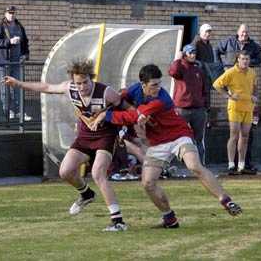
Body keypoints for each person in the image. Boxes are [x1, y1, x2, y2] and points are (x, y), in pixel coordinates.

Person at [90, 64, 242, 228]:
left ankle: (226, 201)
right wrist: (98, 110)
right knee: (148, 183)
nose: (158, 88)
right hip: (157, 143)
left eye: (159, 84)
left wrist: (108, 115)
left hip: (179, 136)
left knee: (194, 166)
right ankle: (170, 219)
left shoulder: (162, 99)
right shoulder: (134, 90)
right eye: (153, 85)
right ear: (143, 85)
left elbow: (133, 116)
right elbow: (119, 99)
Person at [3, 59, 127, 232]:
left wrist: (112, 119)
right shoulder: (70, 88)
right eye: (79, 83)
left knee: (98, 173)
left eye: (85, 82)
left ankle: (118, 221)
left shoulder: (106, 92)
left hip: (105, 137)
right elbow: (46, 87)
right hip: (84, 137)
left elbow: (126, 108)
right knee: (65, 171)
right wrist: (18, 84)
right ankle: (86, 194)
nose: (82, 87)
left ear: (91, 79)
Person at [214, 24, 261, 172]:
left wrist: (255, 96)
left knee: (245, 136)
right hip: (234, 107)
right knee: (234, 135)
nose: (245, 61)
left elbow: (255, 86)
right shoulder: (231, 72)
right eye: (243, 59)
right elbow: (216, 85)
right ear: (238, 60)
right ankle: (231, 164)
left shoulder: (252, 72)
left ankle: (242, 164)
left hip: (248, 107)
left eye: (247, 59)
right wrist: (229, 95)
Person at [169, 44, 208, 164]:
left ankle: (200, 166)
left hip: (198, 110)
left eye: (194, 52)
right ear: (185, 54)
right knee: (176, 137)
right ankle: (171, 166)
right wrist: (177, 58)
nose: (193, 55)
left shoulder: (198, 70)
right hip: (182, 109)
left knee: (198, 139)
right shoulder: (180, 67)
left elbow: (204, 90)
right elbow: (172, 72)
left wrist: (205, 107)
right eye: (190, 53)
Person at [0, 5, 31, 121]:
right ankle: (8, 111)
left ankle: (19, 111)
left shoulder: (20, 27)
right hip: (3, 63)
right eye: (9, 13)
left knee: (18, 87)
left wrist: (25, 55)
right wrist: (9, 41)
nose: (11, 15)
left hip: (16, 63)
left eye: (13, 12)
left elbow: (25, 42)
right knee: (5, 89)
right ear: (5, 14)